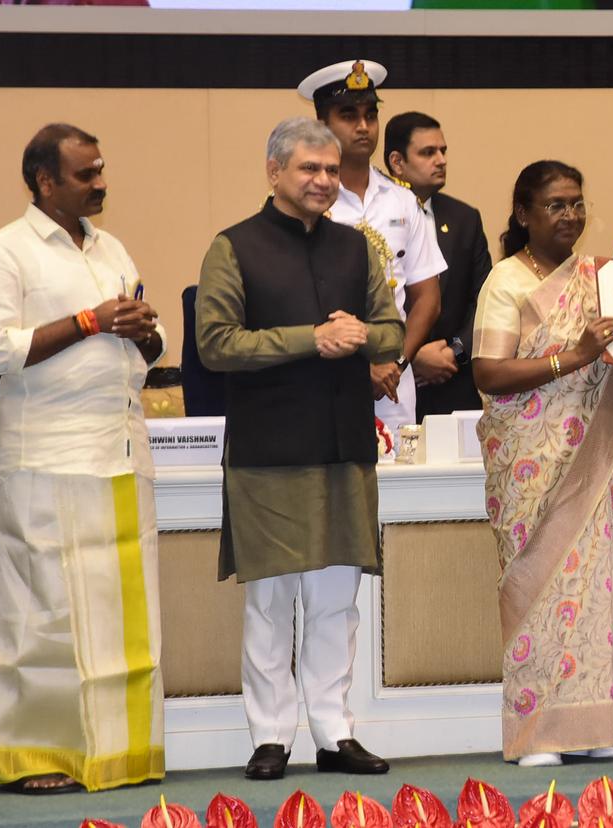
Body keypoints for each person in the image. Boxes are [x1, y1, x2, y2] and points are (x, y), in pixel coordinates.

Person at [196, 117, 403, 780]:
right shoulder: (233, 248)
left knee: (337, 598)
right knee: (270, 600)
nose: (322, 181)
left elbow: (393, 331)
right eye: (308, 169)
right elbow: (217, 345)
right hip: (269, 450)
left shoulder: (355, 248)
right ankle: (270, 737)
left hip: (345, 445)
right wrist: (310, 338)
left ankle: (334, 732)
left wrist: (365, 334)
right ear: (275, 172)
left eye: (329, 169)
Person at [0, 123, 165, 794]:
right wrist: (91, 321)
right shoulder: (6, 252)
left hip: (121, 450)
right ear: (45, 182)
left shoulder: (110, 247)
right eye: (86, 174)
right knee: (44, 621)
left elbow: (146, 335)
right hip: (47, 456)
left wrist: (145, 330)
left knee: (121, 619)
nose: (100, 183)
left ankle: (120, 752)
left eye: (102, 170)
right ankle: (37, 760)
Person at [473, 160, 613, 768]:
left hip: (595, 450)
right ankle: (536, 732)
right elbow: (489, 373)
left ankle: (593, 726)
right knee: (538, 585)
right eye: (556, 205)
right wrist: (575, 354)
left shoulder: (597, 280)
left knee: (594, 587)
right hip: (531, 460)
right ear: (524, 214)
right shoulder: (505, 282)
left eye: (577, 203)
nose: (570, 216)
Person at [297, 59, 446, 434]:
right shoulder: (305, 204)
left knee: (396, 489)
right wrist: (360, 369)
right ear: (322, 126)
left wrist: (396, 362)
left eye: (370, 115)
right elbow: (292, 301)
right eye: (348, 115)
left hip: (394, 383)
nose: (363, 126)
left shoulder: (403, 201)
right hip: (321, 376)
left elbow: (427, 297)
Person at [384, 111, 492, 418]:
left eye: (443, 151)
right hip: (389, 382)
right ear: (397, 161)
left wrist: (454, 352)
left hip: (453, 383)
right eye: (428, 152)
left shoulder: (464, 219)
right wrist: (411, 356)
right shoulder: (374, 218)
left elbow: (485, 301)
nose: (441, 159)